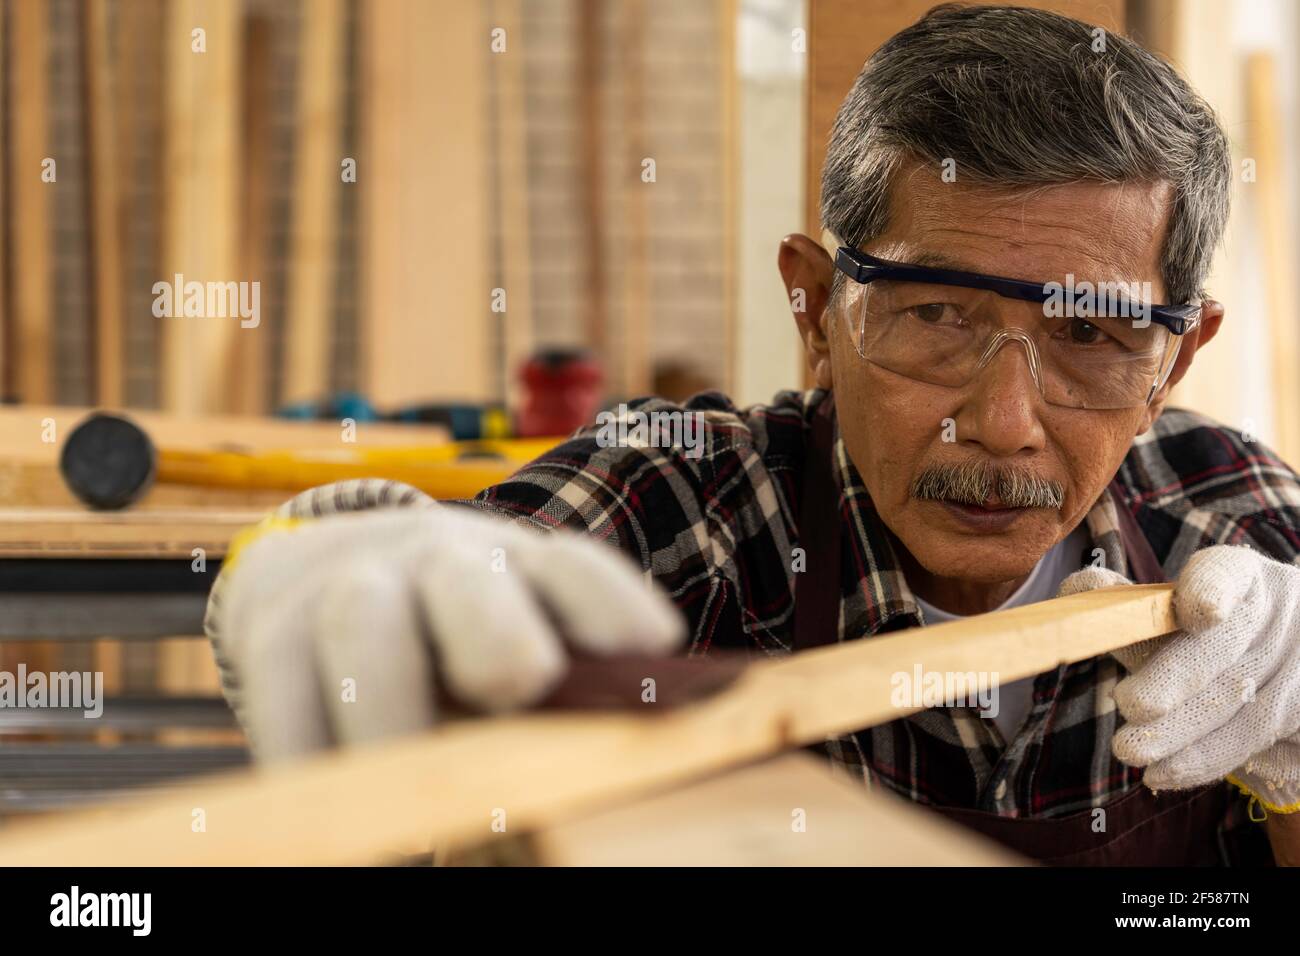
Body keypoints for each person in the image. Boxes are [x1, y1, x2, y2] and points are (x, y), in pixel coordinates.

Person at [206, 4, 1300, 865]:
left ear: (1178, 359)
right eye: (934, 316)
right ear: (814, 311)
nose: (1005, 424)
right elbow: (474, 566)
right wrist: (314, 563)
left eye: (1094, 337)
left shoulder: (1235, 524)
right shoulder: (692, 503)